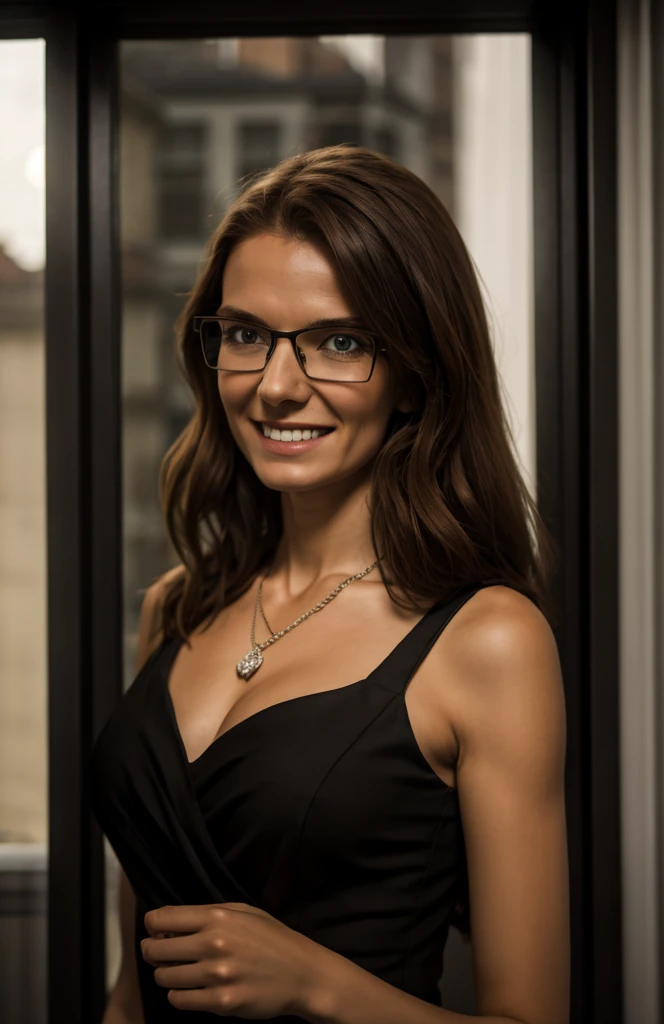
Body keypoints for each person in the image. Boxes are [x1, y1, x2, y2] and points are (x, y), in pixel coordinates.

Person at [87, 144, 570, 1024]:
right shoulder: (176, 609)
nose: (276, 386)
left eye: (338, 342)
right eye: (245, 335)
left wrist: (319, 985)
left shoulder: (489, 641)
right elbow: (134, 989)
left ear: (416, 376)